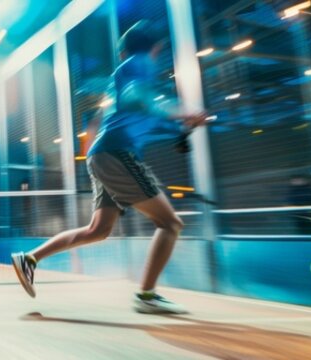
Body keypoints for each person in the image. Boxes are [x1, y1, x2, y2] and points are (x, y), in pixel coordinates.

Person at [10, 21, 208, 314]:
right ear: (155, 48)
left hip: (102, 155)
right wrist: (182, 111)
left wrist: (178, 121)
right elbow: (140, 98)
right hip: (117, 155)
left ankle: (30, 259)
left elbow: (141, 114)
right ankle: (147, 296)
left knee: (98, 230)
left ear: (124, 50)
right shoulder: (139, 64)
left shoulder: (126, 72)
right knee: (170, 224)